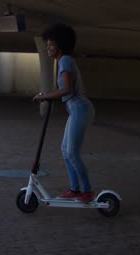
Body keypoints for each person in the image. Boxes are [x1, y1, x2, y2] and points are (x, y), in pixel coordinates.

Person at [33, 23, 95, 202]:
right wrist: (46, 95)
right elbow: (62, 88)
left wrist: (45, 97)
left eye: (51, 44)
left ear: (60, 46)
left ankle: (86, 191)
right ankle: (75, 189)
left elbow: (66, 89)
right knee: (64, 150)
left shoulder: (65, 60)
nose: (48, 48)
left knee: (72, 152)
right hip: (75, 108)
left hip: (80, 108)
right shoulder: (63, 61)